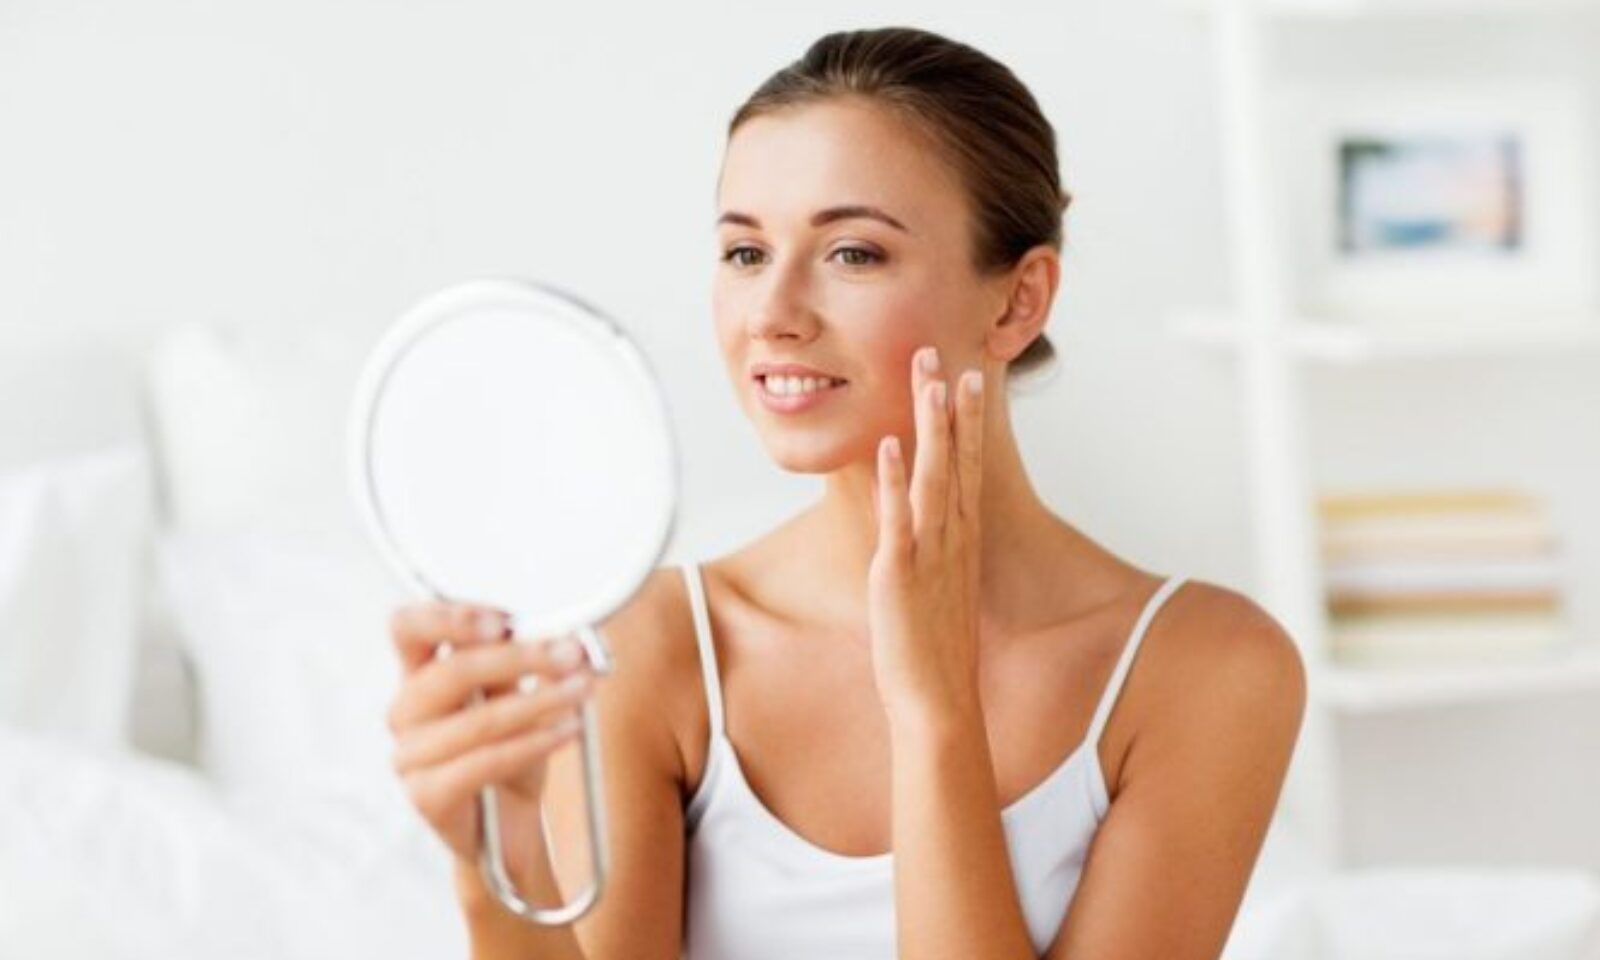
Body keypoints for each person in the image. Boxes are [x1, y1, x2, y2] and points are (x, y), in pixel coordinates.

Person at [384, 25, 1307, 960]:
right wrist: (498, 875)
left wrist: (935, 711)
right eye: (746, 253)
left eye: (852, 253)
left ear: (1019, 300)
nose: (773, 315)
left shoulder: (1206, 670)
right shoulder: (653, 649)